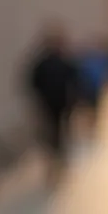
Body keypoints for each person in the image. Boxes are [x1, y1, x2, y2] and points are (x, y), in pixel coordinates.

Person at [26, 25, 80, 183]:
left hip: (59, 105)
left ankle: (58, 161)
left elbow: (74, 82)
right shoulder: (46, 62)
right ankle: (55, 162)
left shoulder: (60, 62)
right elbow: (33, 82)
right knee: (54, 134)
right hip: (51, 105)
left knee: (57, 134)